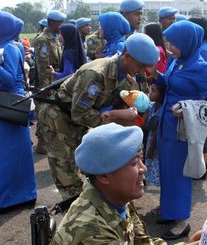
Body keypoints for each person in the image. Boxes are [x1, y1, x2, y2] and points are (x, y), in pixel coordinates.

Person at [47, 123, 200, 245]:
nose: (143, 169)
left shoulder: (116, 200)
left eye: (141, 159)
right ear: (104, 177)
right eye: (134, 163)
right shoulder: (91, 232)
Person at [38, 33, 159, 200]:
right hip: (59, 119)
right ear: (127, 56)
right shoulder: (96, 74)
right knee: (67, 175)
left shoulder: (125, 78)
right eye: (140, 65)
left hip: (85, 121)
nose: (142, 70)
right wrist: (115, 116)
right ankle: (77, 220)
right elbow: (79, 114)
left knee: (89, 168)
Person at [155, 20, 207, 239]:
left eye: (174, 43)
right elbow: (168, 83)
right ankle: (168, 210)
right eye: (169, 43)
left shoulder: (200, 68)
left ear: (187, 42)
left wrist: (187, 109)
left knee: (180, 174)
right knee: (167, 170)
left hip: (184, 129)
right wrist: (155, 75)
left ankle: (182, 220)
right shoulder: (177, 61)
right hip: (167, 125)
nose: (170, 48)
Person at [0, 10, 37, 215]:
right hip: (11, 107)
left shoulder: (10, 48)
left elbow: (11, 80)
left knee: (2, 156)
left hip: (11, 106)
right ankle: (25, 195)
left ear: (3, 28)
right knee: (18, 156)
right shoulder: (5, 47)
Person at [33, 10, 65, 155]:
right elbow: (43, 66)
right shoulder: (43, 40)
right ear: (51, 22)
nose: (61, 26)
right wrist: (48, 87)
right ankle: (41, 144)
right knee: (44, 112)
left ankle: (45, 142)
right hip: (47, 82)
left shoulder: (55, 37)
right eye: (59, 23)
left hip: (55, 80)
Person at [143, 84, 164, 188]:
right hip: (150, 141)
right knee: (150, 165)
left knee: (157, 167)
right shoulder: (151, 106)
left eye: (153, 91)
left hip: (156, 145)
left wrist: (152, 148)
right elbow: (145, 124)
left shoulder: (163, 110)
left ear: (162, 95)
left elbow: (157, 131)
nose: (149, 93)